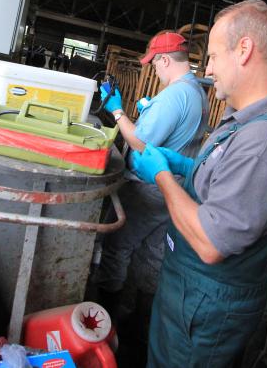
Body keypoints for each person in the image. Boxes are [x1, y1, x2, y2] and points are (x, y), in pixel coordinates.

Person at [131, 0, 267, 367]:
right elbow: (226, 181)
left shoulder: (265, 143)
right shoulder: (243, 122)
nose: (207, 69)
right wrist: (186, 165)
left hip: (206, 305)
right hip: (190, 292)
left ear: (244, 50)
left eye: (212, 56)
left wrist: (162, 176)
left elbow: (212, 243)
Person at [92, 31, 209, 319]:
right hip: (173, 190)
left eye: (154, 64)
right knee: (153, 254)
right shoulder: (196, 92)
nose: (154, 70)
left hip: (149, 188)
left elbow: (140, 142)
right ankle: (140, 324)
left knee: (117, 247)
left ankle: (104, 320)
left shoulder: (175, 95)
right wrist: (147, 111)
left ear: (165, 59)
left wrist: (118, 111)